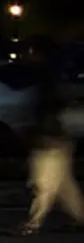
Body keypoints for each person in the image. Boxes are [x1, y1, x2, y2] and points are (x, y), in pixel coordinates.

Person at [18, 36, 84, 236]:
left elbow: (48, 111)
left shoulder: (44, 78)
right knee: (64, 186)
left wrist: (42, 134)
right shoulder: (53, 76)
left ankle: (33, 223)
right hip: (56, 138)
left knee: (44, 184)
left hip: (51, 140)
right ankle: (80, 218)